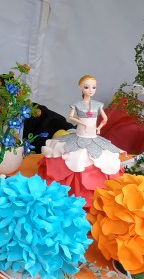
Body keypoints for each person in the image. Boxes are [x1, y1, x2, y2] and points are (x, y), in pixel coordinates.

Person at [37, 74, 122, 208]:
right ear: (80, 88)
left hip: (93, 135)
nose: (91, 90)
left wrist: (99, 127)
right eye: (87, 87)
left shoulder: (98, 105)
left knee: (101, 158)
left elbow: (105, 119)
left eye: (93, 87)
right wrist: (80, 122)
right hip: (79, 134)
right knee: (71, 156)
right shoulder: (77, 105)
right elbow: (71, 117)